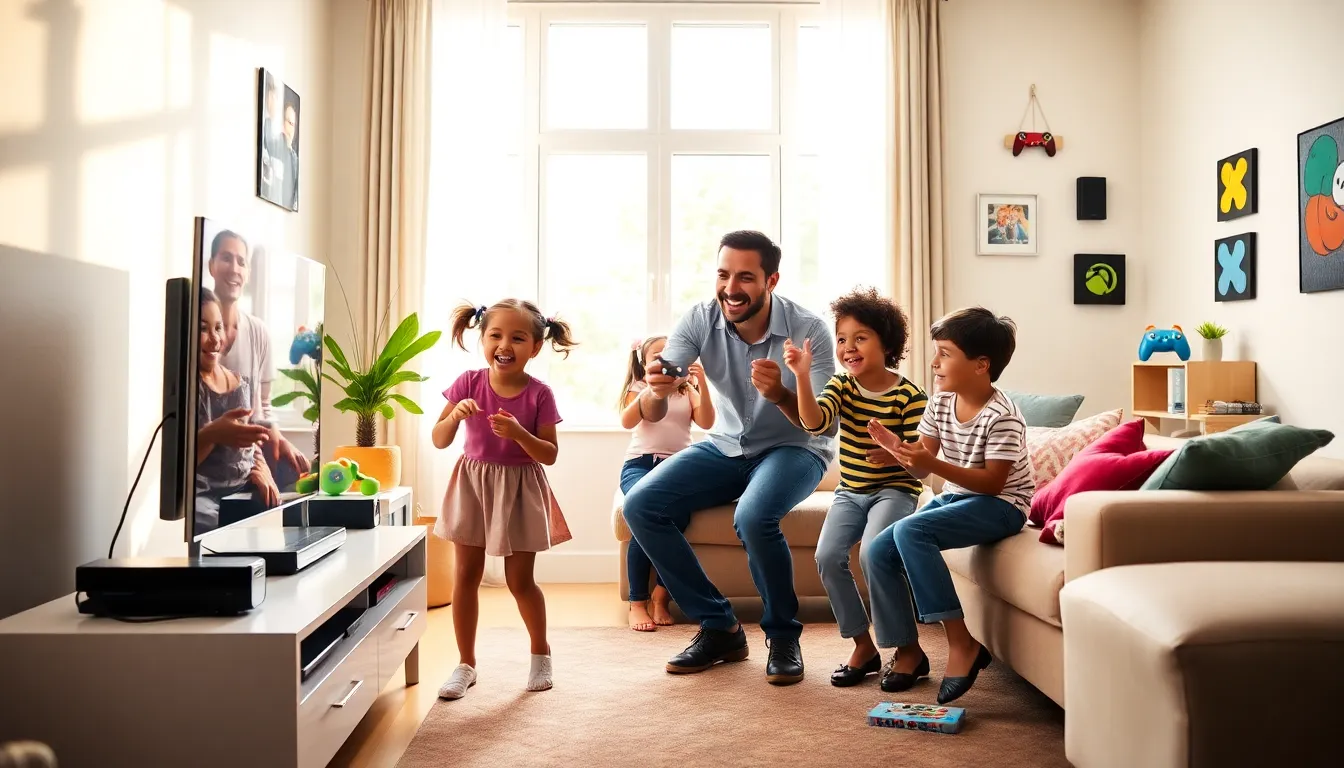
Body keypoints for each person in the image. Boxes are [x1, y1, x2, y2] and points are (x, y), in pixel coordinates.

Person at [621, 230, 836, 686]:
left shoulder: (809, 330)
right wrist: (657, 390)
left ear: (771, 280)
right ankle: (720, 627)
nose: (731, 288)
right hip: (726, 444)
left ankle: (782, 637)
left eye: (745, 277)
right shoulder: (699, 319)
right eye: (723, 274)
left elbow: (821, 423)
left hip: (796, 446)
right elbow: (663, 391)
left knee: (755, 516)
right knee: (640, 504)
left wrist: (780, 392)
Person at [863, 306, 1033, 704]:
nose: (934, 362)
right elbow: (925, 465)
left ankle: (962, 643)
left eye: (945, 353)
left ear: (981, 365)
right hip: (961, 496)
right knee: (877, 551)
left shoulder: (1002, 417)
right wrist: (901, 453)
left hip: (1004, 504)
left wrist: (928, 462)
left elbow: (994, 483)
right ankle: (907, 652)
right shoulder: (940, 403)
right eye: (935, 352)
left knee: (910, 530)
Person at [781, 287, 928, 688]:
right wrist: (801, 377)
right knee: (828, 556)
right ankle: (863, 646)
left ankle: (909, 650)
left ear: (887, 343)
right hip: (851, 491)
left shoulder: (910, 397)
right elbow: (814, 423)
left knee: (874, 552)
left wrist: (897, 453)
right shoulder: (842, 386)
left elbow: (921, 467)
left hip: (895, 491)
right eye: (843, 339)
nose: (848, 347)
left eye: (860, 337)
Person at [432, 298, 577, 699]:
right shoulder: (467, 382)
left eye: (517, 337)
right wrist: (453, 416)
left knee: (520, 580)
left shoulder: (540, 395)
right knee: (465, 576)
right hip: (472, 485)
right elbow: (439, 439)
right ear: (483, 338)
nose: (504, 344)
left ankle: (540, 654)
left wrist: (519, 435)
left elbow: (549, 454)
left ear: (535, 346)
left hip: (518, 489)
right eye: (495, 334)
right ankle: (466, 664)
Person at [617, 335, 715, 631]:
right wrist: (652, 388)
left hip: (677, 467)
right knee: (640, 516)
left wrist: (703, 382)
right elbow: (627, 421)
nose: (666, 359)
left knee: (677, 519)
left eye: (671, 354)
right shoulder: (639, 388)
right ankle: (637, 602)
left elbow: (708, 422)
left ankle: (662, 596)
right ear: (644, 364)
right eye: (657, 356)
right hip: (640, 464)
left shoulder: (688, 391)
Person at [207, 230, 308, 488]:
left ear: (248, 272)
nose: (234, 268)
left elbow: (262, 409)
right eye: (226, 258)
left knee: (296, 471)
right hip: (211, 460)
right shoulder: (198, 334)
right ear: (211, 266)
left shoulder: (258, 332)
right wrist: (258, 464)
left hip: (250, 454)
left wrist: (279, 440)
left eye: (241, 261)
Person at [194, 288, 279, 533]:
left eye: (218, 327)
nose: (214, 339)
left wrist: (261, 469)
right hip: (205, 498)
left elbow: (250, 440)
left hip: (243, 490)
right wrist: (213, 434)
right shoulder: (189, 387)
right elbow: (180, 466)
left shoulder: (239, 382)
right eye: (203, 329)